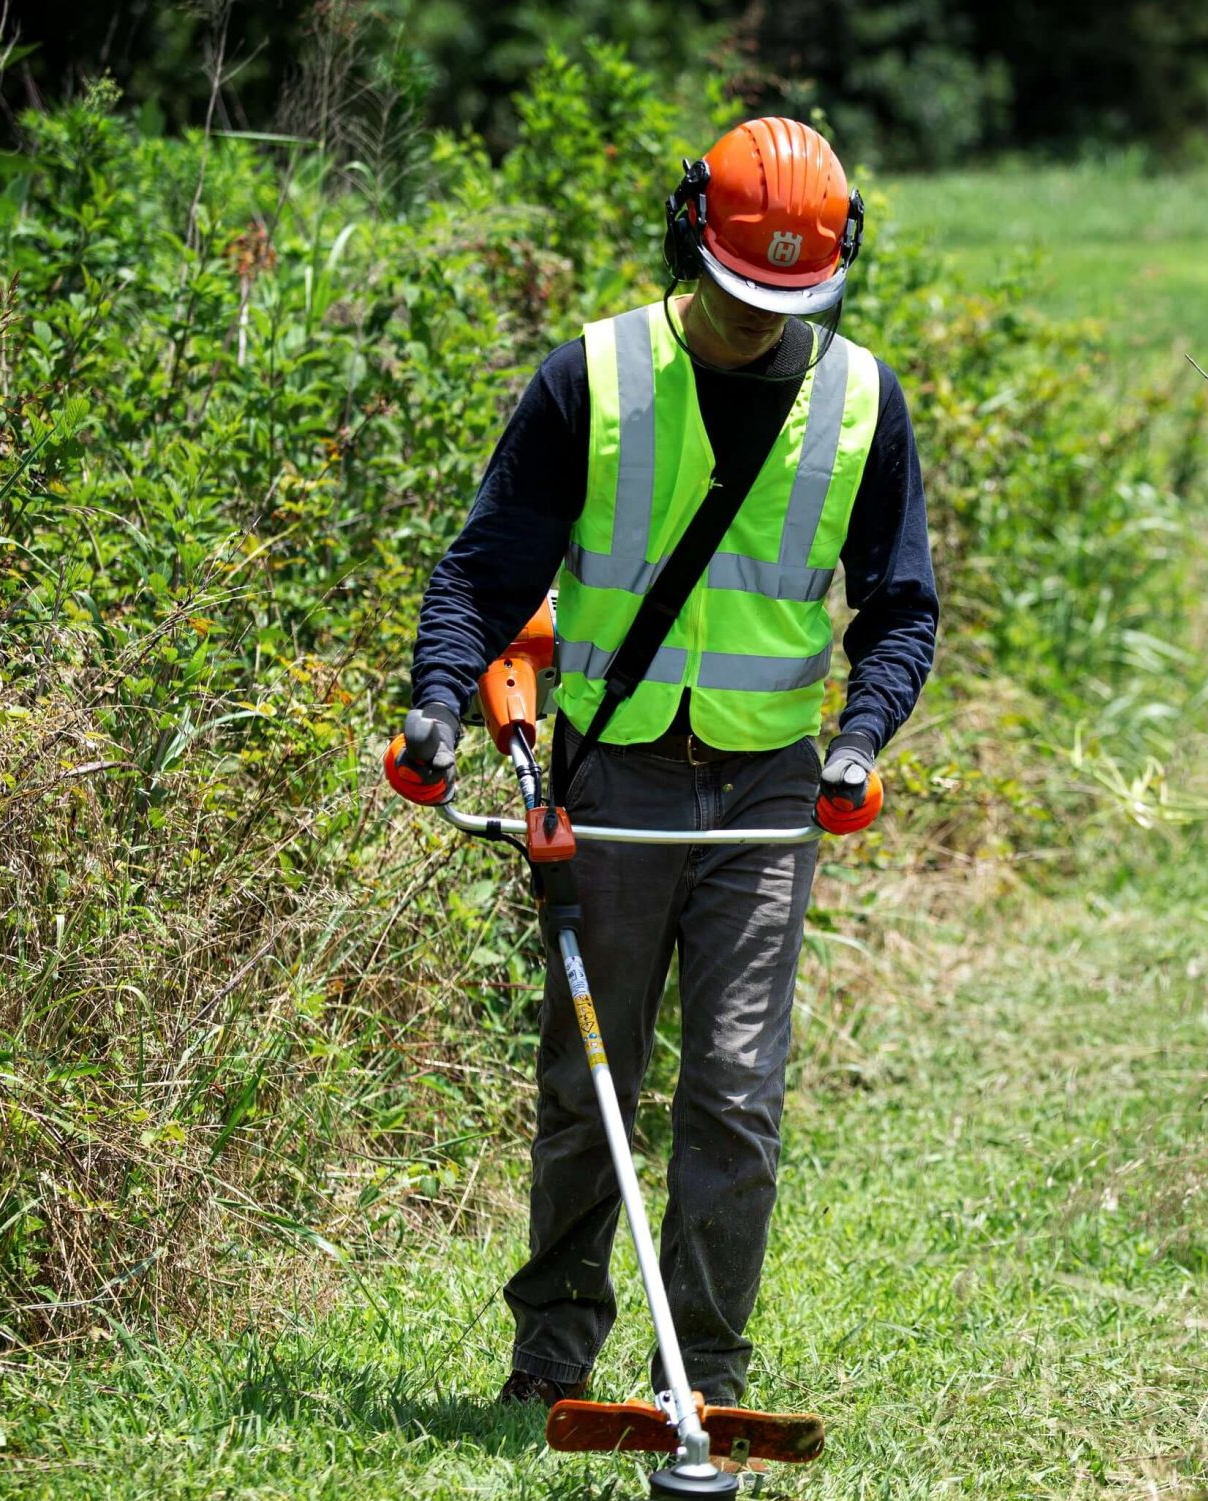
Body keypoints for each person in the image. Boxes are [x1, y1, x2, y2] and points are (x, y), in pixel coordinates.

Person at [397, 116, 937, 1410]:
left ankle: (701, 1374)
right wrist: (435, 711)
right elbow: (482, 574)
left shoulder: (862, 401)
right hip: (617, 781)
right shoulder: (594, 378)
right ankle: (552, 1358)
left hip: (762, 798)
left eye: (786, 301)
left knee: (737, 1096)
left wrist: (859, 737)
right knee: (592, 1083)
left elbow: (902, 605)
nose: (760, 322)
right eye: (745, 291)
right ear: (689, 242)